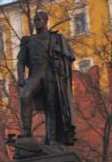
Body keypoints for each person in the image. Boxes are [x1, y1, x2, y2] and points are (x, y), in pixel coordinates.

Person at [17, 10, 76, 146]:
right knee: (24, 97)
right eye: (35, 20)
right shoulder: (28, 41)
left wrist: (59, 63)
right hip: (35, 75)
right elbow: (21, 61)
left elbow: (67, 59)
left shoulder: (56, 38)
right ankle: (26, 131)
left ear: (46, 21)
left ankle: (52, 139)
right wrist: (20, 77)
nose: (37, 22)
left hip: (50, 75)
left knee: (52, 106)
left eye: (39, 19)